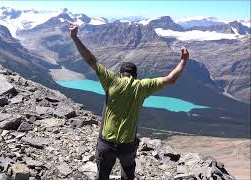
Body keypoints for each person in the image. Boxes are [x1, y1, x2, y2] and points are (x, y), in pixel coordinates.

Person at [69, 24, 189, 180]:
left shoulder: (112, 81)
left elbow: (90, 59)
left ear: (120, 74)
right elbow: (170, 79)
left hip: (106, 142)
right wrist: (183, 61)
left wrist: (75, 37)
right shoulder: (142, 87)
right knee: (128, 172)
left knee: (102, 175)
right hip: (127, 145)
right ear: (135, 76)